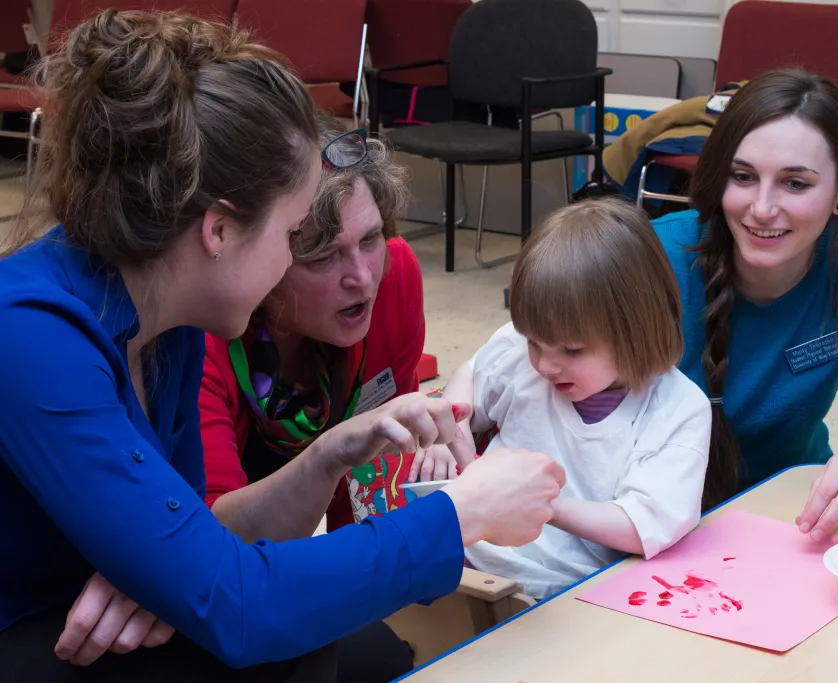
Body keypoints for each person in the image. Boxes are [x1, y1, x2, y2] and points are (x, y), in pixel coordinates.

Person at [0, 10, 564, 682]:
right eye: (296, 232)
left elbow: (205, 553)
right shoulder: (32, 336)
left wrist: (323, 456)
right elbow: (238, 604)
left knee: (367, 651)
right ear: (219, 231)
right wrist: (462, 512)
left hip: (84, 616)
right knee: (300, 651)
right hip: (39, 630)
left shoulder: (169, 311)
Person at [652, 68, 838, 542]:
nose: (763, 208)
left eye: (795, 183)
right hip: (651, 517)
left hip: (794, 513)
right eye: (743, 176)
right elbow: (542, 373)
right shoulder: (656, 255)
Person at [412, 200, 712, 600]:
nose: (544, 364)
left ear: (637, 333)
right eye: (535, 341)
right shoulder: (521, 352)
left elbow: (641, 528)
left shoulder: (677, 409)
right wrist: (452, 425)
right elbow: (471, 372)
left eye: (572, 350)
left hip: (564, 595)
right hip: (463, 564)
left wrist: (535, 503)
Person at [200, 117, 427, 540]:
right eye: (323, 257)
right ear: (262, 261)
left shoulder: (395, 279)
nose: (362, 278)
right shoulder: (203, 338)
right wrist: (329, 456)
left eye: (370, 238)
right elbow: (214, 547)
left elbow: (372, 489)